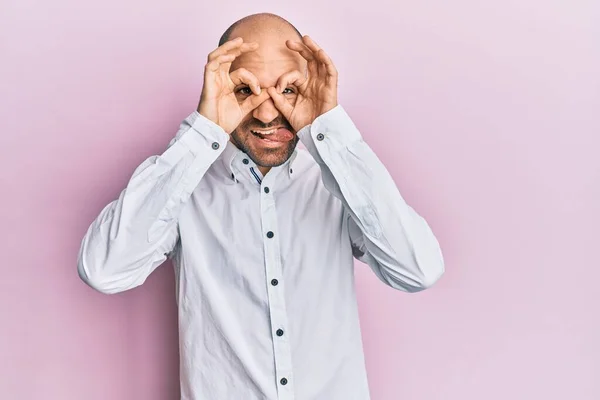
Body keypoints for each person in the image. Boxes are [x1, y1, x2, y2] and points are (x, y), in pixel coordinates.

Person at [77, 12, 445, 400]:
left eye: (286, 90)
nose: (268, 114)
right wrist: (203, 130)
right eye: (244, 90)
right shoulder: (182, 185)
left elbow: (417, 271)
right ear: (219, 88)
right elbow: (104, 270)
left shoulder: (340, 181)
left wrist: (332, 130)